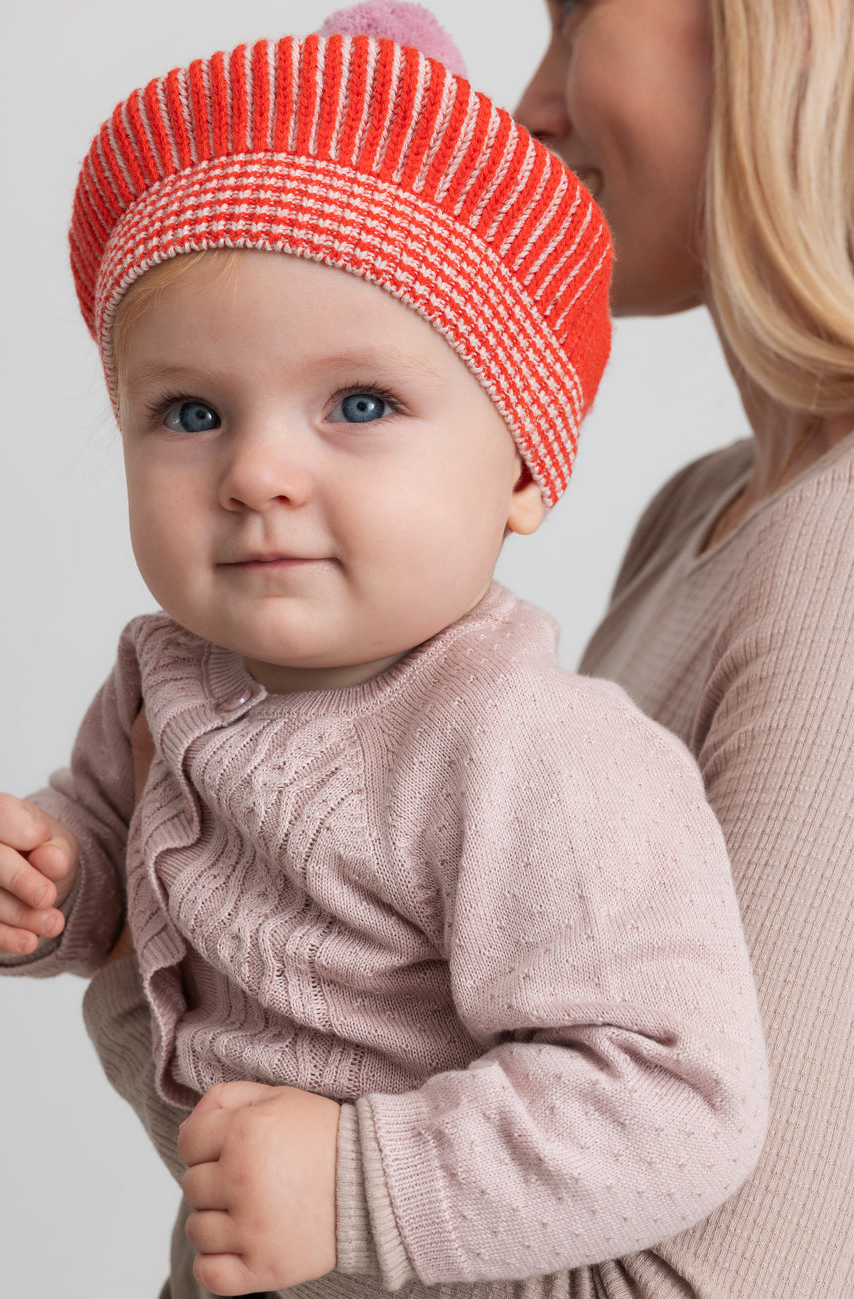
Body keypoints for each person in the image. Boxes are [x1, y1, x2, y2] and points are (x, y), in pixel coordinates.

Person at [0, 10, 768, 1299]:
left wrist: (356, 1181)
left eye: (361, 404)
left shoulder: (536, 757)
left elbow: (675, 1097)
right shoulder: (165, 673)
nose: (258, 473)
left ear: (524, 469)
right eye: (190, 412)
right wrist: (44, 886)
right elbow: (113, 872)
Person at [508, 1, 854, 1295]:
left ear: (782, 31)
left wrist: (173, 1021)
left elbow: (696, 1284)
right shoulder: (701, 515)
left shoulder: (835, 551)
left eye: (578, 18)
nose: (530, 109)